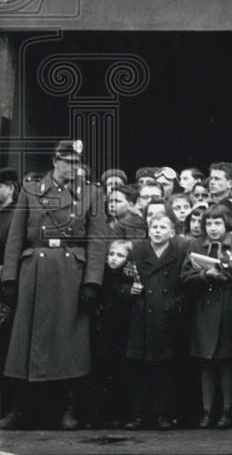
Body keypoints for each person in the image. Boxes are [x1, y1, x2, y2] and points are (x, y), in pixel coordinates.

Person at [0, 140, 107, 430]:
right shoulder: (32, 190)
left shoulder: (92, 194)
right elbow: (15, 238)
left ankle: (68, 409)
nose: (72, 168)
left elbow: (98, 242)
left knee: (69, 345)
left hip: (70, 274)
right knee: (24, 343)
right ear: (55, 161)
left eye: (76, 163)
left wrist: (92, 282)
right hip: (34, 270)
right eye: (67, 162)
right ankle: (19, 408)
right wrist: (9, 277)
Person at [182, 204, 232, 429]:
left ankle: (228, 411)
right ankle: (207, 410)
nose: (213, 228)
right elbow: (185, 276)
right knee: (206, 362)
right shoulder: (196, 245)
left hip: (230, 307)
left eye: (217, 223)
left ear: (227, 223)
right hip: (204, 308)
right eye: (208, 223)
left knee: (226, 360)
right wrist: (204, 274)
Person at [125, 211, 186, 430]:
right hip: (142, 315)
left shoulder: (179, 252)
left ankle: (163, 414)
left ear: (172, 232)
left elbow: (185, 283)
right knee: (139, 369)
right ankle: (138, 415)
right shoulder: (138, 250)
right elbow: (123, 278)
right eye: (154, 227)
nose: (157, 231)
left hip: (167, 317)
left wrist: (176, 303)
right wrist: (129, 290)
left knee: (165, 369)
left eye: (162, 228)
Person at [91, 239, 135, 428]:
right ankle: (100, 414)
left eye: (120, 255)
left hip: (122, 329)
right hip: (103, 329)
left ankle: (119, 413)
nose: (114, 259)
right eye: (112, 254)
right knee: (101, 370)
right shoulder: (102, 275)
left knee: (120, 371)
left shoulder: (130, 277)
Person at [208, 162, 232, 232]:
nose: (211, 182)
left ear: (230, 184)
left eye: (217, 179)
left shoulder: (231, 205)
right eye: (211, 178)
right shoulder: (211, 203)